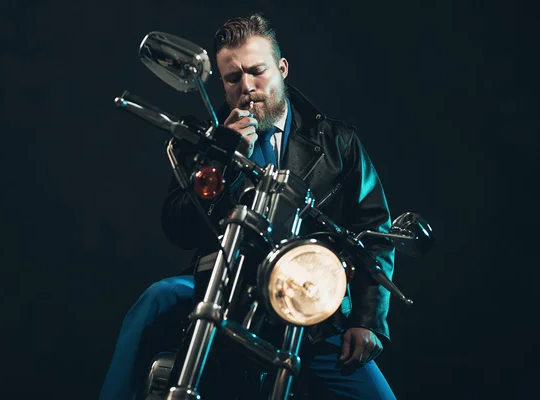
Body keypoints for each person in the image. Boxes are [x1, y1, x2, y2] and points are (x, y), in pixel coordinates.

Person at [100, 12, 396, 400]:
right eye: (233, 78)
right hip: (222, 287)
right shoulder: (205, 140)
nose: (248, 87)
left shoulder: (337, 142)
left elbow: (374, 228)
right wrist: (223, 156)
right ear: (221, 83)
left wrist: (368, 320)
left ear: (283, 68)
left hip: (306, 303)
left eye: (258, 72)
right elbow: (178, 227)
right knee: (157, 299)